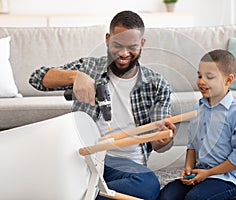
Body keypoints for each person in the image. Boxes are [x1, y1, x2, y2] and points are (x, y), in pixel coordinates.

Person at [29, 10, 176, 200]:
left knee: (148, 185)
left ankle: (80, 193)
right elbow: (36, 78)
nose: (124, 54)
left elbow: (159, 144)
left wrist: (164, 140)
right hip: (86, 159)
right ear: (108, 39)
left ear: (142, 44)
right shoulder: (89, 68)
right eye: (117, 45)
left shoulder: (158, 85)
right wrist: (76, 76)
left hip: (128, 166)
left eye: (131, 47)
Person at [157, 49, 236, 200]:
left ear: (228, 80)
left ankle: (233, 197)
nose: (202, 81)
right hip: (199, 173)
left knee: (195, 198)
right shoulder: (198, 108)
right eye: (200, 75)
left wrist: (207, 173)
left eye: (210, 77)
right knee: (166, 196)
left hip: (226, 178)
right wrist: (188, 168)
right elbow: (192, 145)